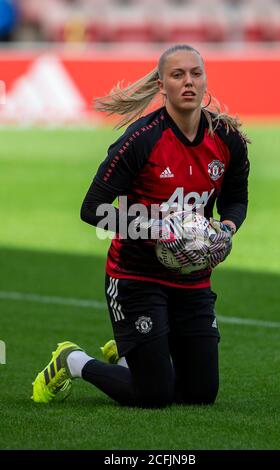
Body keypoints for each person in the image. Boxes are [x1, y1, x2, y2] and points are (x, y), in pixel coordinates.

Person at [32, 44, 250, 408]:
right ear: (162, 84)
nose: (188, 82)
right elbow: (93, 209)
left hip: (193, 279)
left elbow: (236, 199)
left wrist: (226, 229)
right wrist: (156, 230)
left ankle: (128, 354)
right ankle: (73, 361)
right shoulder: (141, 139)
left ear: (205, 78)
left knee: (199, 394)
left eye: (195, 73)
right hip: (136, 277)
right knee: (154, 394)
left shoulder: (227, 139)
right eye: (177, 75)